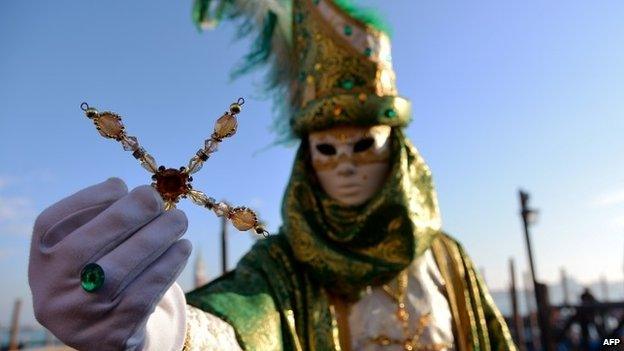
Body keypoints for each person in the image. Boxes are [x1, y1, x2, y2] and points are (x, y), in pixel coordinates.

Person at [28, 0, 517, 350]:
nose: (345, 163)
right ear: (308, 161)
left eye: (364, 143)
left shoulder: (449, 259)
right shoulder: (283, 268)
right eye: (326, 148)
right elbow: (243, 325)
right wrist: (166, 335)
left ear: (400, 153)